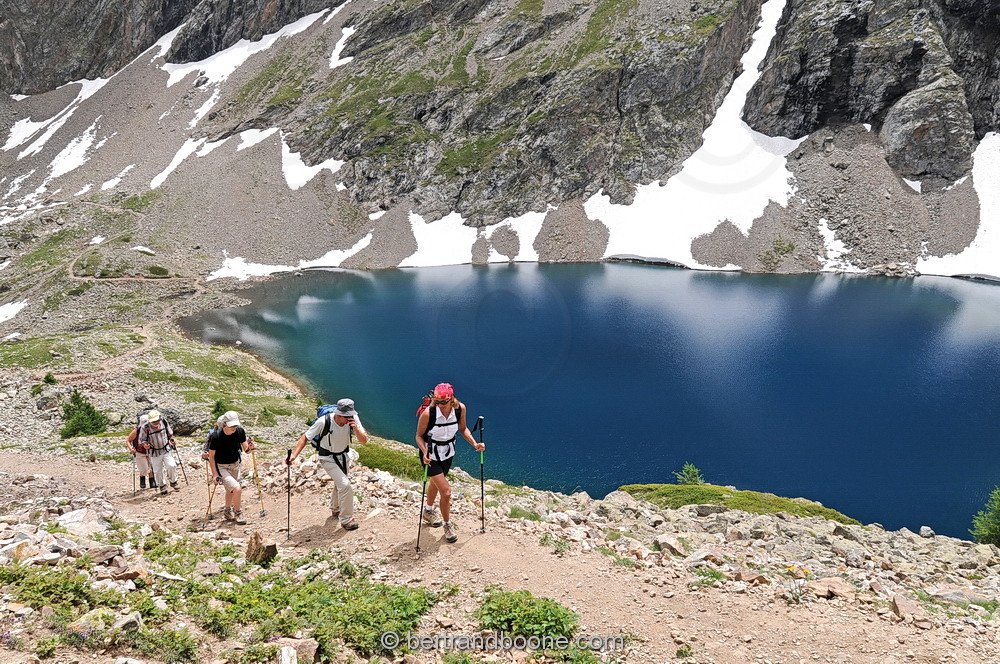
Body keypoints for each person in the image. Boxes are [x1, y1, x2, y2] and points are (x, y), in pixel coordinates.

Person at [416, 383, 484, 543]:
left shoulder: (460, 409)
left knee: (435, 484)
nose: (439, 405)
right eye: (437, 401)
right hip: (430, 455)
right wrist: (425, 452)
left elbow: (463, 429)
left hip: (447, 453)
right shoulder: (428, 413)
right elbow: (419, 436)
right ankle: (447, 525)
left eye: (443, 402)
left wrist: (475, 444)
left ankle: (428, 511)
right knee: (446, 491)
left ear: (451, 399)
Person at [286, 398, 368, 530]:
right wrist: (294, 456)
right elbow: (305, 437)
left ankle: (335, 509)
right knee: (345, 484)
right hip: (327, 457)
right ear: (338, 414)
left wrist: (355, 428)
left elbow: (364, 441)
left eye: (350, 416)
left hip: (344, 456)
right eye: (345, 417)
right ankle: (346, 519)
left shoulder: (353, 419)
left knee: (340, 483)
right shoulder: (324, 421)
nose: (348, 418)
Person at [207, 410, 255, 525]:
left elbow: (246, 450)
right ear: (224, 424)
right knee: (237, 488)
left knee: (231, 489)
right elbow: (211, 457)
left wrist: (250, 447)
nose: (234, 427)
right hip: (221, 467)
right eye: (231, 425)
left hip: (235, 464)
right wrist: (215, 474)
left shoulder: (240, 432)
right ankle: (238, 513)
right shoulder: (216, 436)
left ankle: (227, 511)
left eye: (235, 424)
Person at [136, 409, 178, 495]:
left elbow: (170, 434)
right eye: (153, 422)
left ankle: (173, 481)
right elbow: (142, 440)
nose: (156, 423)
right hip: (154, 452)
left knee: (172, 465)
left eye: (157, 421)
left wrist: (172, 440)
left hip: (166, 448)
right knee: (158, 470)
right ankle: (162, 486)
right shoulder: (145, 427)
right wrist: (145, 445)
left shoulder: (164, 422)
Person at [125, 414, 156, 489]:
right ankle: (142, 477)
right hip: (139, 452)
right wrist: (131, 449)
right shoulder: (136, 431)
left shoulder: (152, 429)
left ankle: (152, 482)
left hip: (150, 450)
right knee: (144, 468)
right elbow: (128, 440)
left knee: (151, 466)